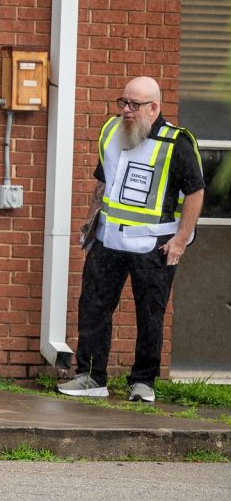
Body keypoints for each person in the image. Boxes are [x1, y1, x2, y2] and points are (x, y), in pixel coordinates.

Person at [57, 76, 205, 403]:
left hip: (154, 246)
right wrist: (90, 221)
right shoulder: (112, 131)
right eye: (122, 102)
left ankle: (143, 382)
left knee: (149, 314)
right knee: (93, 307)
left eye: (134, 105)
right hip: (108, 240)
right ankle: (91, 377)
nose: (126, 110)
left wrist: (180, 241)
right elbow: (103, 181)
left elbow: (195, 191)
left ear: (154, 108)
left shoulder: (177, 142)